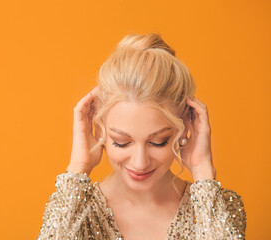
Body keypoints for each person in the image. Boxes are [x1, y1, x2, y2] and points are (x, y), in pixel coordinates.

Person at [37, 33, 247, 239]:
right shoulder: (76, 210)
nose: (140, 163)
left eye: (158, 142)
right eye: (121, 143)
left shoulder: (219, 209)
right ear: (100, 131)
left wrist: (203, 172)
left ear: (183, 129)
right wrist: (78, 168)